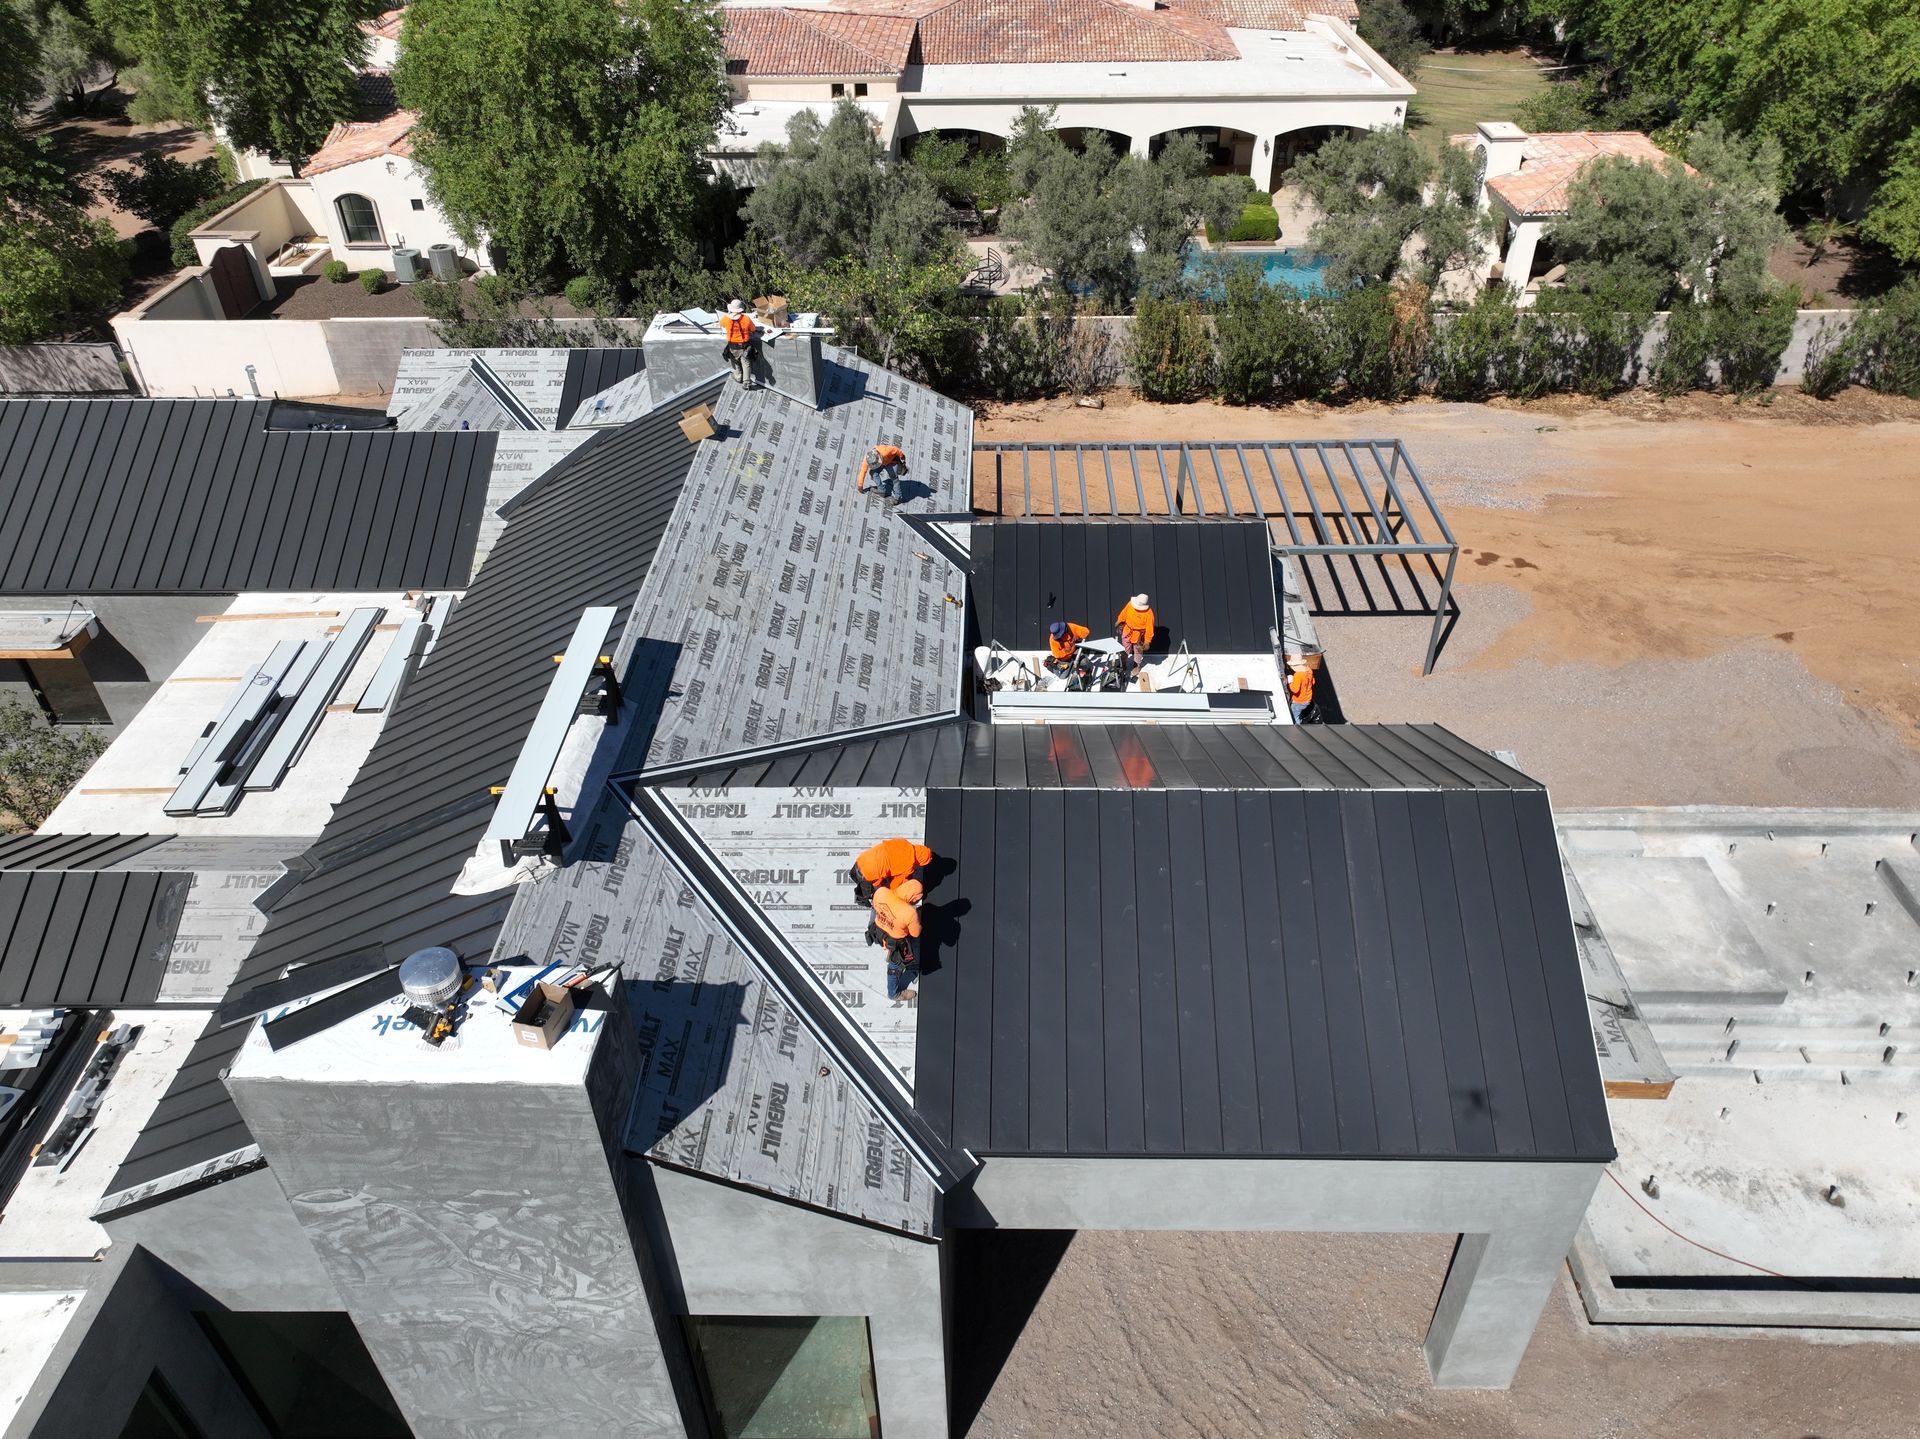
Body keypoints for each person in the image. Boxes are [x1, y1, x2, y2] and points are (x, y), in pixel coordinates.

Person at [868, 878, 924, 1001]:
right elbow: (915, 934)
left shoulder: (882, 891)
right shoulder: (910, 912)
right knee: (895, 966)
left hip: (878, 931)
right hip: (895, 942)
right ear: (913, 897)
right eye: (917, 899)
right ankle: (894, 994)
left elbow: (875, 909)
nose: (916, 901)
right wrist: (915, 920)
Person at [848, 836, 933, 905]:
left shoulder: (902, 841)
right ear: (921, 862)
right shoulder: (908, 866)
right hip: (868, 874)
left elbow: (886, 852)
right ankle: (861, 897)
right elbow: (894, 885)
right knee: (877, 893)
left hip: (862, 859)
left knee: (861, 876)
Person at [1114, 593, 1156, 671]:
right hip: (1127, 630)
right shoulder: (1130, 604)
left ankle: (1136, 665)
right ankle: (1123, 663)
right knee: (1124, 648)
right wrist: (1120, 622)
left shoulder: (1149, 613)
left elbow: (1150, 629)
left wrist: (1147, 642)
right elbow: (1123, 613)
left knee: (1138, 650)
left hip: (1139, 635)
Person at [721, 299, 756, 388]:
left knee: (735, 362)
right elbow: (753, 329)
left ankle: (738, 377)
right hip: (744, 347)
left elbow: (721, 325)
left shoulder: (725, 319)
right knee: (746, 363)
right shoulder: (746, 319)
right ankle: (746, 382)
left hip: (732, 347)